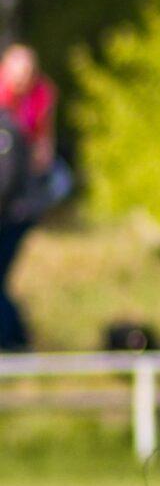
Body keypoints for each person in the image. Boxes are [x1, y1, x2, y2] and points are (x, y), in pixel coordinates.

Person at [0, 43, 72, 351]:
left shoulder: (40, 97)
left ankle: (15, 340)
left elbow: (42, 151)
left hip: (17, 202)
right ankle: (17, 339)